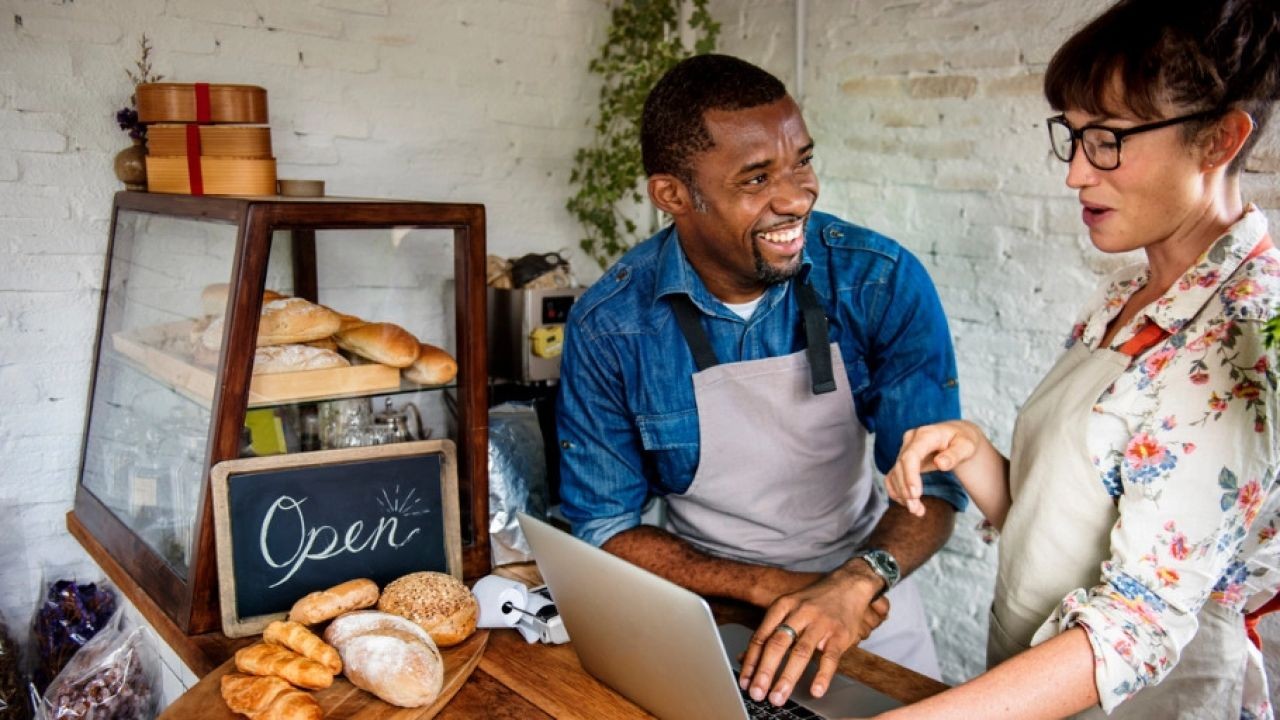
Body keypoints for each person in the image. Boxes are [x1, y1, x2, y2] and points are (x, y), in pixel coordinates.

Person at [883, 1, 1280, 717]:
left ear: (1220, 138)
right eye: (1072, 137)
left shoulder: (1238, 339)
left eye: (1107, 141)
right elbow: (1071, 526)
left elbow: (1136, 624)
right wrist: (973, 452)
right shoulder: (1129, 290)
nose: (1074, 174)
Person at [556, 53, 968, 707]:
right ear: (672, 195)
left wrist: (860, 579)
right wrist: (763, 585)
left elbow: (936, 484)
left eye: (801, 161)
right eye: (756, 179)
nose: (797, 196)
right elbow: (603, 526)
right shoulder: (612, 325)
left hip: (868, 608)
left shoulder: (878, 279)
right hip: (709, 615)